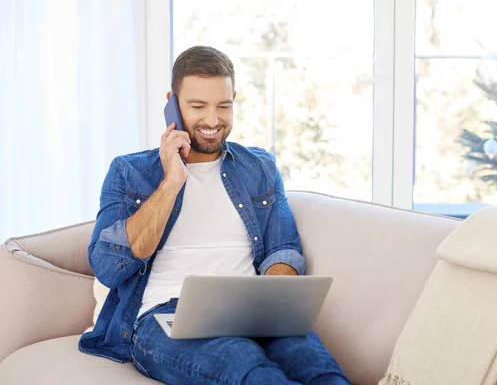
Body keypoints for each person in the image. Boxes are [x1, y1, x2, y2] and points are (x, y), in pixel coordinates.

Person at [78, 45, 349, 385]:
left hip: (251, 310)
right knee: (250, 369)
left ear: (234, 99)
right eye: (197, 106)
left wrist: (268, 306)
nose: (212, 120)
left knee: (321, 371)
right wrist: (172, 181)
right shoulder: (130, 172)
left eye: (223, 106)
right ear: (172, 102)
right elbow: (106, 267)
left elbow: (283, 249)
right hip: (162, 316)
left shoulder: (259, 167)